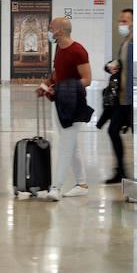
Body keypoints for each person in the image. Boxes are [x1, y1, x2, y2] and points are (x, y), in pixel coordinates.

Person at [36, 17, 93, 201]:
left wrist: (65, 87)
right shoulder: (59, 48)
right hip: (59, 102)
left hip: (74, 105)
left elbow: (87, 79)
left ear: (60, 30)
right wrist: (46, 85)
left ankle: (56, 187)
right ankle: (82, 184)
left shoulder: (78, 51)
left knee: (65, 147)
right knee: (72, 145)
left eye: (51, 27)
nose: (49, 29)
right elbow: (57, 73)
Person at [100, 8, 135, 184]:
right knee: (113, 130)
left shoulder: (135, 44)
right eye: (120, 20)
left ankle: (135, 172)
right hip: (121, 99)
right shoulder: (124, 43)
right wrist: (110, 66)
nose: (122, 24)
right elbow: (120, 66)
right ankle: (120, 170)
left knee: (130, 132)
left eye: (125, 21)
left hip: (131, 100)